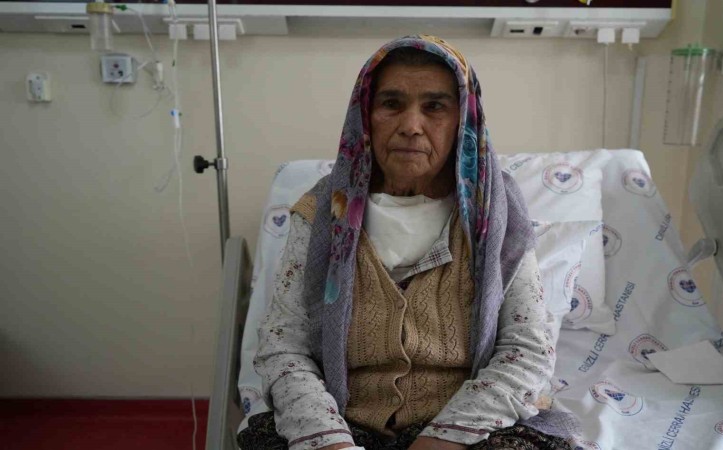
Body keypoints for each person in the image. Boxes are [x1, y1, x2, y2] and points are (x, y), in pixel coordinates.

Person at [238, 35, 574, 450]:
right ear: (365, 115)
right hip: (345, 420)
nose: (411, 125)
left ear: (463, 120)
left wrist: (444, 438)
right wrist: (329, 440)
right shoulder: (325, 210)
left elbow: (527, 349)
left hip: (470, 427)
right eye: (391, 104)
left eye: (434, 107)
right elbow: (284, 344)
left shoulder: (495, 211)